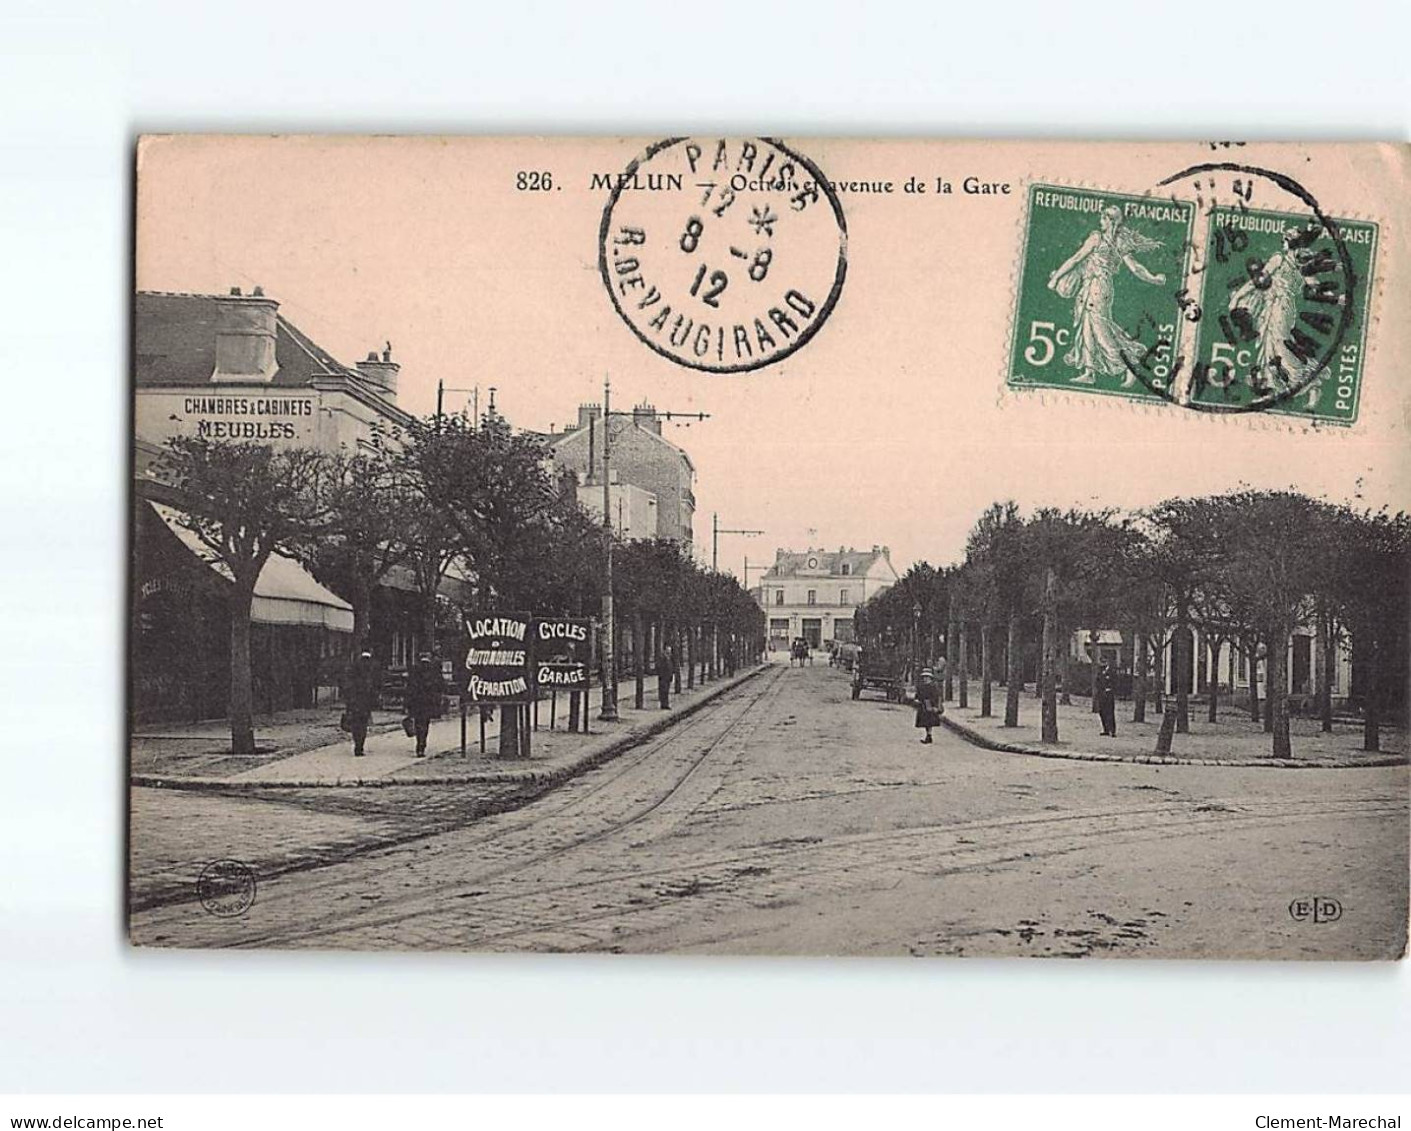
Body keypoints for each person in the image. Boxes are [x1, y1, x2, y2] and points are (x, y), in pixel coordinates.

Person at [1047, 205, 1167, 386]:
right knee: (1088, 327)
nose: (1100, 221)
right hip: (1097, 287)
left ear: (1110, 220)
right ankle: (1089, 372)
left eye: (1103, 218)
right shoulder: (1119, 242)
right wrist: (1154, 279)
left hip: (1096, 288)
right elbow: (1136, 268)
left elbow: (1076, 258)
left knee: (1101, 329)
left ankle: (1129, 366)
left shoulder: (1097, 238)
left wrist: (1055, 279)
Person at [404, 652, 447, 757]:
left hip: (416, 702)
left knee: (418, 723)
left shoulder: (414, 670)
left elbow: (409, 688)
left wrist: (407, 703)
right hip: (428, 702)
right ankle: (422, 745)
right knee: (425, 723)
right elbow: (441, 686)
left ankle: (419, 744)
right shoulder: (434, 670)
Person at [342, 650, 382, 757]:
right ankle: (360, 745)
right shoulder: (373, 666)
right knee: (363, 723)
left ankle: (357, 743)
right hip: (366, 701)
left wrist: (349, 699)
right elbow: (376, 684)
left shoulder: (354, 665)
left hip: (354, 700)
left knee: (355, 723)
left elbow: (347, 684)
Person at [914, 667, 943, 744]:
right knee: (925, 721)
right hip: (923, 705)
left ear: (930, 678)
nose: (925, 679)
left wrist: (936, 706)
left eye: (927, 677)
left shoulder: (933, 686)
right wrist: (917, 700)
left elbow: (937, 697)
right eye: (924, 677)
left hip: (931, 705)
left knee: (929, 721)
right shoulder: (921, 686)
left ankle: (929, 736)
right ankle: (928, 735)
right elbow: (918, 695)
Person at [1095, 661, 1118, 737]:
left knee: (1110, 712)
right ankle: (1106, 729)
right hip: (1101, 694)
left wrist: (1110, 689)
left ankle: (1112, 730)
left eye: (1104, 662)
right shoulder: (1100, 672)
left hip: (1109, 694)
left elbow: (1114, 682)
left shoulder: (1112, 672)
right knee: (1102, 712)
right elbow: (1097, 682)